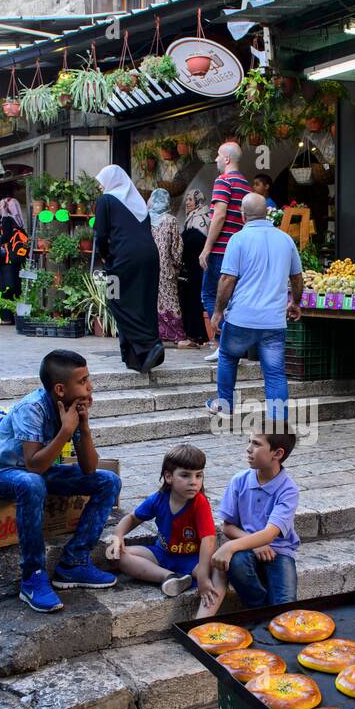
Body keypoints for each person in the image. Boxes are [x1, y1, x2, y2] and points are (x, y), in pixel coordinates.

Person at [0, 350, 120, 613]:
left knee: (108, 481)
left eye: (88, 379)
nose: (89, 387)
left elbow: (89, 469)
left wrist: (83, 426)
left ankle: (74, 562)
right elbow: (33, 465)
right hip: (0, 473)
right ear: (59, 388)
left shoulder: (72, 408)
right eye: (83, 381)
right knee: (32, 483)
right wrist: (66, 430)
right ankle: (32, 577)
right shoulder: (31, 408)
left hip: (41, 474)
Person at [209, 191, 303, 422]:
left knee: (228, 357)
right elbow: (297, 277)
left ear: (243, 215)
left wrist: (218, 311)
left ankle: (225, 406)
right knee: (275, 373)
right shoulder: (285, 239)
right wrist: (295, 303)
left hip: (242, 317)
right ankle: (278, 420)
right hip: (273, 321)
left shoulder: (238, 239)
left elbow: (227, 279)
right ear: (267, 213)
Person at [110, 443, 222, 615]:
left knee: (219, 571)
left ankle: (202, 619)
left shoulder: (199, 503)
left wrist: (203, 577)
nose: (193, 482)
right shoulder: (159, 499)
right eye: (185, 475)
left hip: (192, 560)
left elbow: (209, 539)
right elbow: (133, 518)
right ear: (169, 477)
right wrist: (118, 536)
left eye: (198, 475)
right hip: (161, 554)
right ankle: (169, 577)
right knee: (119, 556)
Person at [212, 430, 300, 606]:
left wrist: (229, 546)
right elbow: (228, 527)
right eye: (249, 441)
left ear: (277, 453)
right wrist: (256, 544)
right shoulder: (239, 481)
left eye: (257, 444)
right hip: (246, 549)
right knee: (236, 564)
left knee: (286, 605)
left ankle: (273, 615)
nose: (248, 449)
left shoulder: (288, 490)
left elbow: (269, 535)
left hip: (279, 552)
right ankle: (260, 609)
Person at [94, 164, 164, 374]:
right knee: (143, 302)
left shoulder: (106, 200)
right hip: (150, 257)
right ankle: (138, 358)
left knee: (115, 300)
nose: (100, 188)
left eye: (101, 183)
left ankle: (149, 343)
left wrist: (105, 257)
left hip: (123, 258)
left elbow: (101, 235)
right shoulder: (139, 203)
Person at [199, 142, 251, 362]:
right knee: (234, 299)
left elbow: (218, 215)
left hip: (221, 249)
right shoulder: (246, 185)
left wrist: (207, 248)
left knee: (211, 295)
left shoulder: (223, 181)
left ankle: (223, 344)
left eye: (219, 156)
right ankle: (234, 345)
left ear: (227, 159)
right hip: (240, 249)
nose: (217, 160)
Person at [148, 188, 185, 345]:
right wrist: (177, 264)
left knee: (151, 299)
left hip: (148, 267)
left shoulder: (146, 219)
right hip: (166, 268)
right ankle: (175, 334)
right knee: (170, 300)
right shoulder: (171, 220)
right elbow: (177, 248)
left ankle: (154, 334)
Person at [177, 189, 209, 347]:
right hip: (190, 267)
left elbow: (196, 241)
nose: (187, 202)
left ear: (199, 202)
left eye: (191, 199)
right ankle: (192, 335)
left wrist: (180, 242)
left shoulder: (202, 218)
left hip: (198, 268)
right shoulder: (191, 219)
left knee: (195, 300)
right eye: (187, 199)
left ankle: (197, 336)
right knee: (189, 300)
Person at [0, 197, 29, 325]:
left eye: (1, 206)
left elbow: (4, 237)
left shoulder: (7, 220)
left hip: (9, 261)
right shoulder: (19, 222)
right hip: (18, 261)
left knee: (8, 288)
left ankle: (7, 317)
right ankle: (18, 316)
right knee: (18, 288)